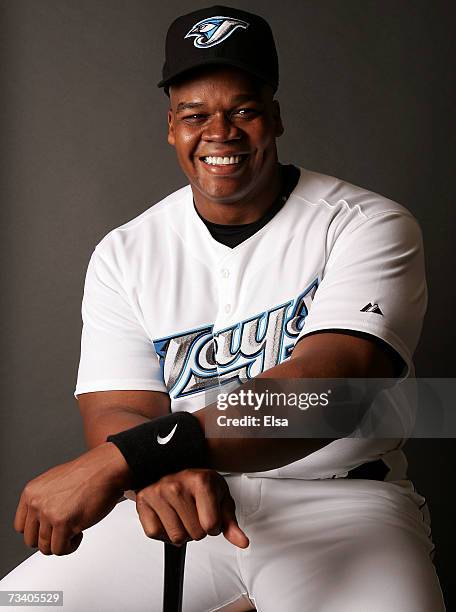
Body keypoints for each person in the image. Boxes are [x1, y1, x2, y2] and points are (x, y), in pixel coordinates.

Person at [1, 5, 445, 611]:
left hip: (344, 507)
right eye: (195, 115)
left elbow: (330, 390)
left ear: (276, 117)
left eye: (243, 110)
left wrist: (126, 459)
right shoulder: (125, 252)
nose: (220, 132)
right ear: (171, 127)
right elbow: (119, 403)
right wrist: (156, 472)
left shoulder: (366, 225)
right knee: (26, 604)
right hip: (183, 499)